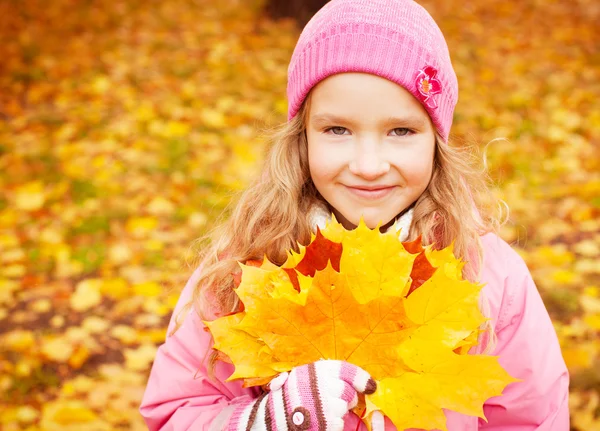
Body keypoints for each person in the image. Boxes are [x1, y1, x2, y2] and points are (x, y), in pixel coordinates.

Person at [139, 0, 570, 429]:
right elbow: (177, 411)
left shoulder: (487, 277)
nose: (368, 164)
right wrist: (263, 421)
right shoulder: (243, 268)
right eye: (337, 130)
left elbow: (530, 417)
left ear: (436, 141)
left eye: (400, 131)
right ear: (301, 137)